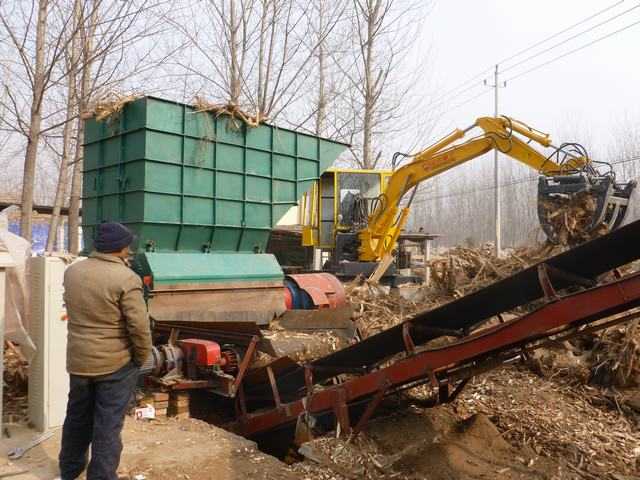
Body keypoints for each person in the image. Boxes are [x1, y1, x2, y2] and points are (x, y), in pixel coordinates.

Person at [58, 222, 151, 480]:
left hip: (78, 361)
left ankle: (69, 470)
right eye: (127, 244)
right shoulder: (125, 278)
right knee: (108, 425)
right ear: (119, 248)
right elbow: (139, 327)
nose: (129, 248)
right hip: (114, 364)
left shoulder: (72, 272)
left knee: (77, 417)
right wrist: (140, 358)